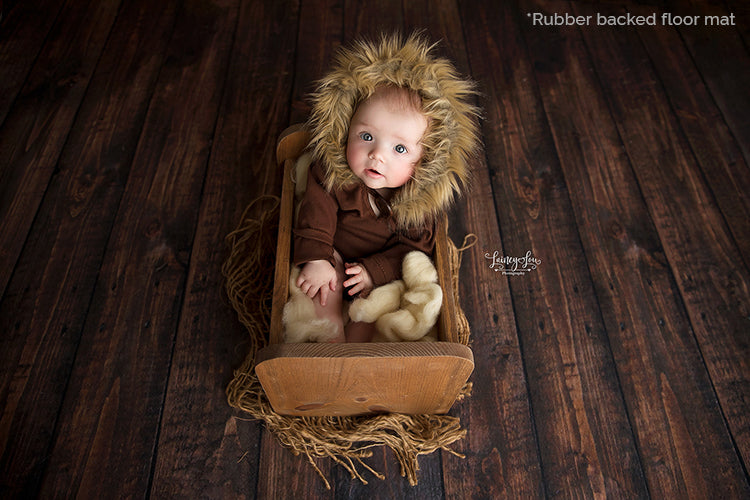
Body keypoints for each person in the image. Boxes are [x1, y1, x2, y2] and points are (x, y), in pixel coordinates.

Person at [290, 33, 480, 343]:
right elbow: (316, 211)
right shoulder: (332, 174)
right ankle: (329, 336)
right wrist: (318, 257)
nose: (377, 154)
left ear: (424, 161)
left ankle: (361, 352)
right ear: (346, 129)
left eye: (400, 149)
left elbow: (413, 251)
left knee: (376, 309)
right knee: (323, 286)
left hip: (379, 267)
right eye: (366, 137)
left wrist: (373, 272)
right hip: (336, 250)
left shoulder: (417, 207)